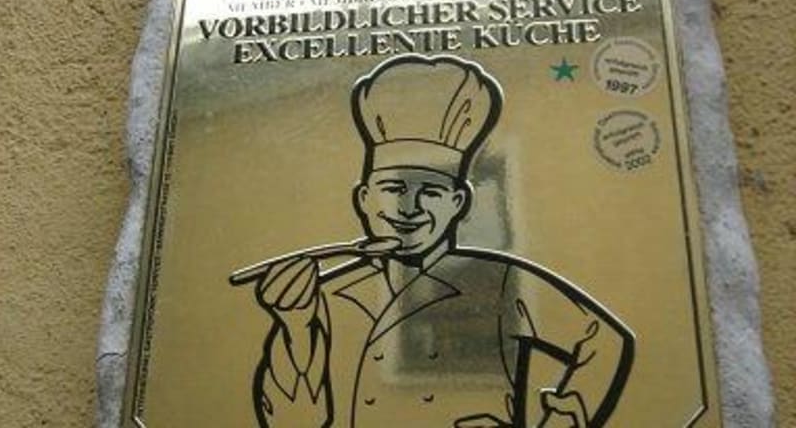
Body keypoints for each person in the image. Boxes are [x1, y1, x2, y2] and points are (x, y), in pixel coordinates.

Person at [250, 54, 633, 427]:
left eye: (431, 192)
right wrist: (295, 328)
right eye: (394, 188)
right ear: (364, 199)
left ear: (458, 203)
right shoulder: (326, 296)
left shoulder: (501, 279)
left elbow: (603, 340)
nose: (410, 208)